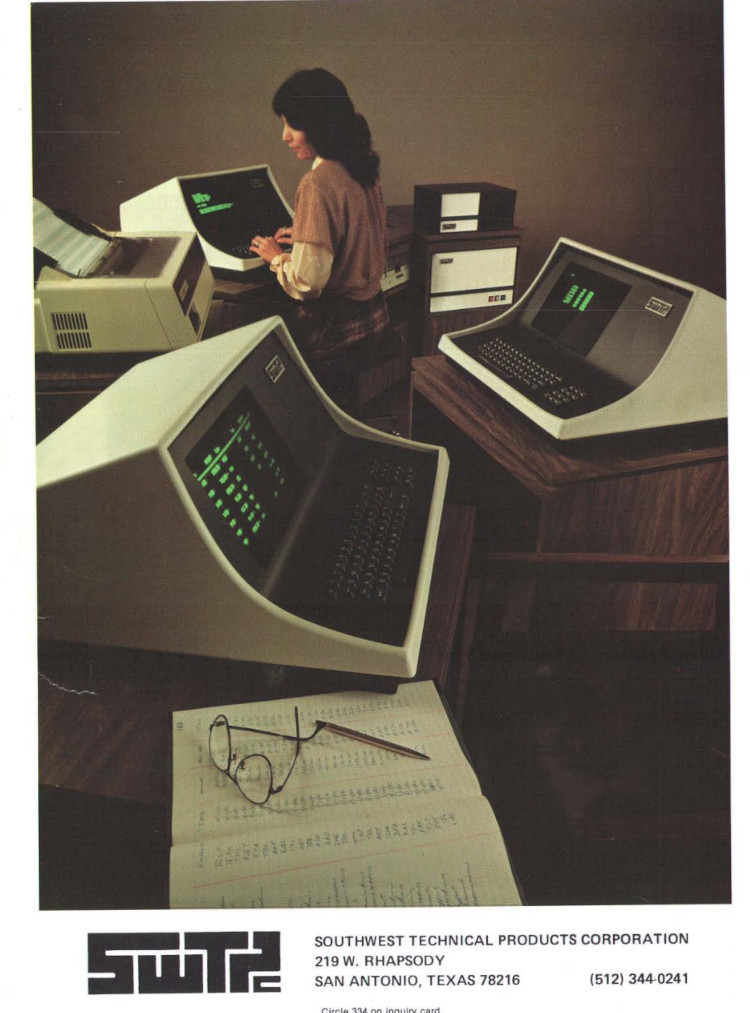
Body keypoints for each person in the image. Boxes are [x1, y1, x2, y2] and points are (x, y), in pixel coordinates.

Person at [249, 68, 390, 403]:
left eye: (292, 126)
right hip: (374, 318)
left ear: (318, 125)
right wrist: (307, 233)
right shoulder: (362, 166)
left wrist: (277, 258)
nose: (285, 136)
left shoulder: (316, 183)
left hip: (336, 334)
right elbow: (360, 229)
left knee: (252, 334)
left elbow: (307, 283)